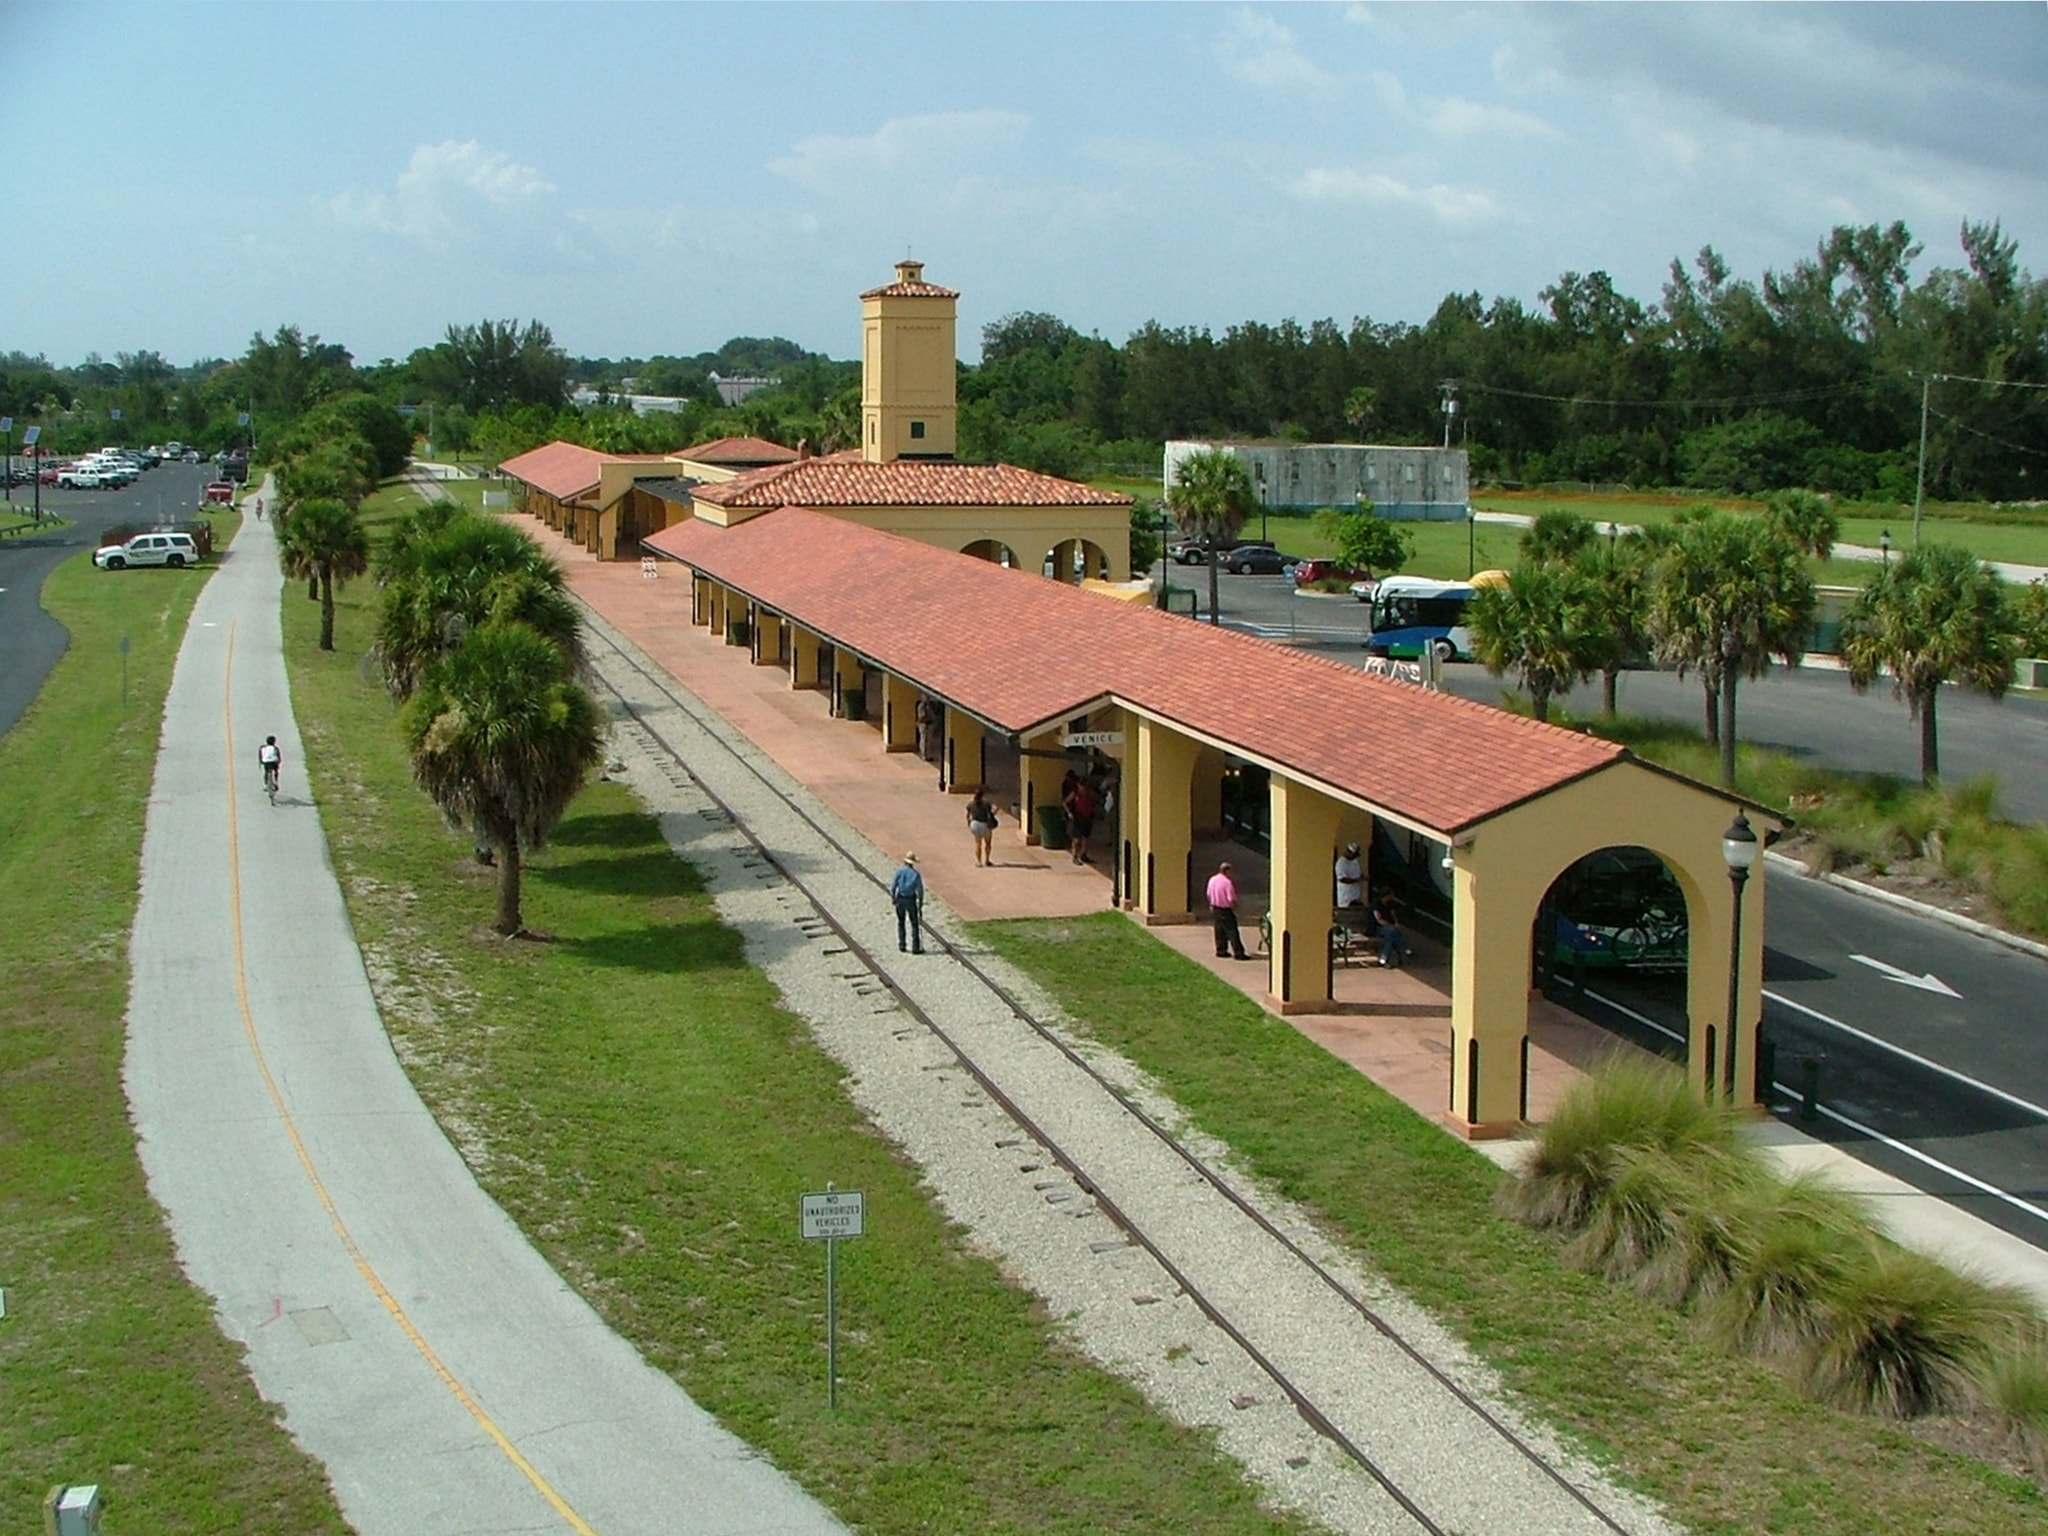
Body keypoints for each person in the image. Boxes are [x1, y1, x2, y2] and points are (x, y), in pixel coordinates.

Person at [1205, 860, 1250, 960]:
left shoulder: (1212, 879)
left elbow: (1208, 894)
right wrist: (1236, 907)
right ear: (1227, 871)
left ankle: (1221, 950)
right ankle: (1238, 953)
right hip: (1225, 909)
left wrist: (1211, 904)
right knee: (1232, 931)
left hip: (1215, 908)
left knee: (1219, 930)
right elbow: (1231, 898)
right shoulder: (1227, 882)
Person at [890, 851, 926, 953]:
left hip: (900, 898)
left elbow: (893, 886)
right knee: (914, 923)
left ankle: (902, 945)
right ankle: (916, 946)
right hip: (911, 899)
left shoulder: (899, 872)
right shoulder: (916, 875)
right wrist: (920, 903)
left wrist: (893, 898)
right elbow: (920, 890)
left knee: (901, 922)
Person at [1372, 890, 1412, 968]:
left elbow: (1393, 914)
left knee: (1391, 939)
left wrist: (1396, 923)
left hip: (1390, 930)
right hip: (1378, 928)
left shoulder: (1390, 904)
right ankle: (1404, 949)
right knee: (1393, 932)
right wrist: (1391, 926)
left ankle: (1383, 960)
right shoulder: (1376, 904)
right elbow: (1379, 919)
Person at [1063, 774, 1096, 865]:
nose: (1083, 787)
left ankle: (1083, 855)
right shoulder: (1075, 793)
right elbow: (1065, 802)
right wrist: (1069, 813)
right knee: (1077, 839)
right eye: (1081, 784)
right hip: (1078, 816)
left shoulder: (1090, 792)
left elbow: (1095, 799)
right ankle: (1075, 856)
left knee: (1086, 838)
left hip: (1088, 816)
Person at [965, 788, 998, 868]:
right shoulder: (986, 804)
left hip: (975, 824)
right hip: (985, 825)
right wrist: (997, 810)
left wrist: (969, 823)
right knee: (988, 843)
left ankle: (978, 861)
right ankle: (987, 860)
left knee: (978, 844)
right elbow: (991, 814)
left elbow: (967, 815)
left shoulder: (970, 804)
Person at [1334, 842, 1365, 908]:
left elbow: (1357, 874)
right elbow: (1342, 879)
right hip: (1346, 898)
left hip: (1356, 896)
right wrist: (1356, 880)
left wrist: (1362, 877)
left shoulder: (1355, 862)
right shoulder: (1341, 863)